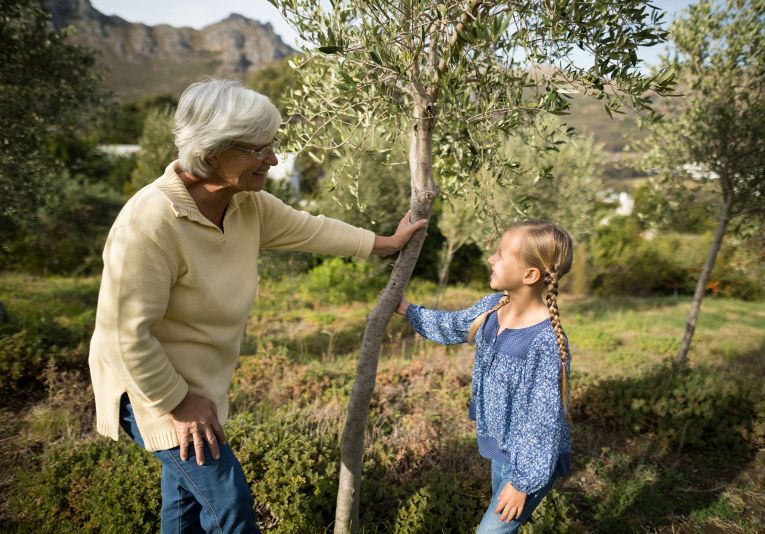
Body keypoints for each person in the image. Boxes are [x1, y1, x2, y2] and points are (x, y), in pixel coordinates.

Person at [88, 78, 427, 533]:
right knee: (229, 507)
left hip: (198, 383)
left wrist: (385, 244)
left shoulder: (247, 204)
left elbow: (311, 228)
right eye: (258, 149)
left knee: (185, 504)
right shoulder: (148, 224)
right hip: (150, 386)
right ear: (211, 153)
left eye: (273, 145)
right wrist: (179, 402)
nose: (273, 159)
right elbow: (122, 337)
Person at [395, 220, 573, 534]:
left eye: (501, 254)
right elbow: (451, 325)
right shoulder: (493, 307)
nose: (491, 259)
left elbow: (543, 420)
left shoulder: (544, 341)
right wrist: (409, 309)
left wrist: (522, 483)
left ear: (530, 275)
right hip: (502, 449)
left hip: (532, 462)